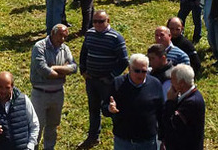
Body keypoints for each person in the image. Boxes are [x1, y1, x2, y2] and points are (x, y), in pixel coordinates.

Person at [77, 10, 129, 149]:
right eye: (95, 21)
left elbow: (124, 61)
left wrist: (111, 76)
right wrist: (83, 70)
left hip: (107, 82)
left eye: (101, 21)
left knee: (111, 110)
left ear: (108, 21)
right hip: (91, 79)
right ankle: (93, 137)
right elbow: (84, 53)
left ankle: (120, 136)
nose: (98, 24)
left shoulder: (116, 37)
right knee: (93, 110)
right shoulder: (90, 34)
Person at [29, 24, 78, 150]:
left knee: (53, 125)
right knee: (36, 126)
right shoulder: (39, 47)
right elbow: (43, 70)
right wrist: (62, 73)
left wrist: (55, 68)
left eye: (65, 37)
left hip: (57, 94)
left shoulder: (65, 49)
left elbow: (74, 67)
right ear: (52, 33)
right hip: (40, 93)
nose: (62, 39)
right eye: (60, 35)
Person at [104, 53, 164, 150]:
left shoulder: (155, 84)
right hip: (124, 142)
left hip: (148, 142)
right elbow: (104, 108)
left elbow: (161, 113)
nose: (140, 74)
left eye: (144, 71)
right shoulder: (117, 83)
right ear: (129, 68)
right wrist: (109, 109)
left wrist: (163, 138)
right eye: (136, 71)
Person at [161, 64, 205, 150]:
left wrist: (170, 102)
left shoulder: (192, 102)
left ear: (181, 83)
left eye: (172, 79)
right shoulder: (188, 96)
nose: (170, 83)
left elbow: (171, 126)